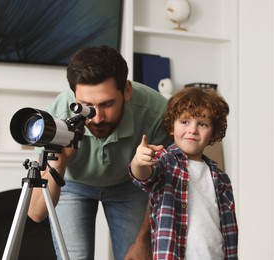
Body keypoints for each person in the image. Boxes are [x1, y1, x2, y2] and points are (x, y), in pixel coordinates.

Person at [27, 45, 171, 260]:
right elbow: (36, 213)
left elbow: (161, 185)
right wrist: (59, 165)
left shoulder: (158, 113)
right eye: (86, 106)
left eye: (107, 104)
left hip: (130, 184)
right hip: (72, 183)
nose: (97, 117)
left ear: (127, 91)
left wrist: (143, 242)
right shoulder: (55, 117)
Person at [129, 87, 238, 259]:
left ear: (213, 132)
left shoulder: (222, 179)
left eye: (202, 124)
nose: (193, 130)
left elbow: (229, 229)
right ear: (172, 126)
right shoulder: (164, 162)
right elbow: (143, 176)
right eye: (185, 121)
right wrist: (139, 162)